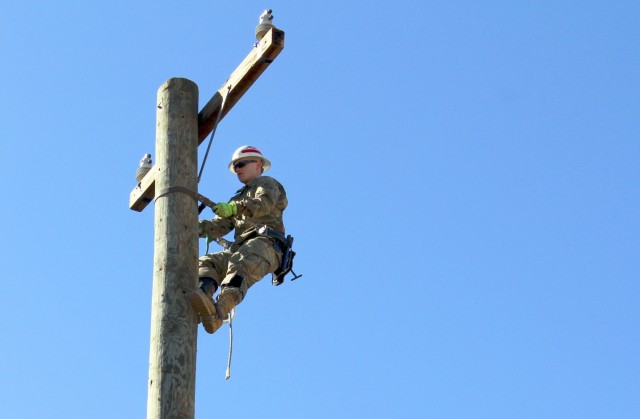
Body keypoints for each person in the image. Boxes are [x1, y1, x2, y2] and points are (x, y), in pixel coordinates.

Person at [190, 145, 288, 334]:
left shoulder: (267, 183)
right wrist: (193, 227)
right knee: (207, 263)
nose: (238, 169)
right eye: (235, 166)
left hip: (266, 246)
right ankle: (203, 298)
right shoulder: (237, 198)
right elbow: (219, 226)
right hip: (243, 248)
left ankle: (219, 312)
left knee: (239, 264)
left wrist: (235, 208)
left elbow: (263, 205)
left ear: (258, 164)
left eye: (241, 164)